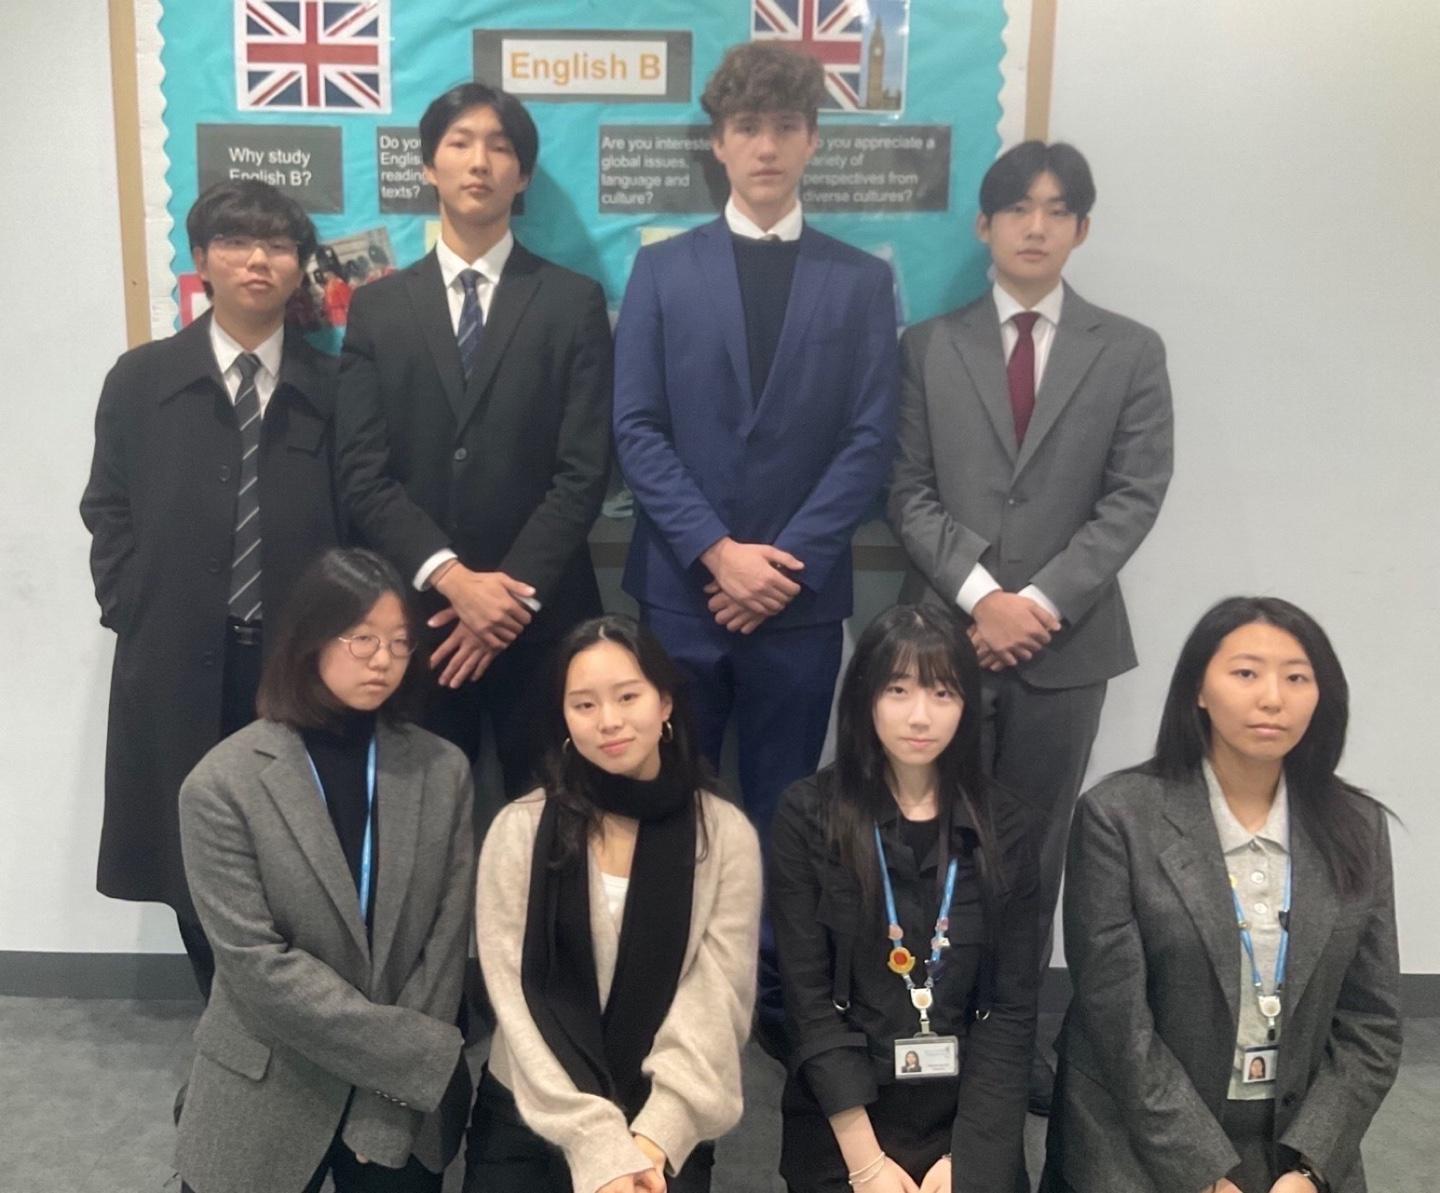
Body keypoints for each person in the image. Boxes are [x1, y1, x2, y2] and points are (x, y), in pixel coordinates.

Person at [613, 40, 898, 1038]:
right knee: (667, 791)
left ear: (812, 140)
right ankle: (666, 979)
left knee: (788, 802)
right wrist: (717, 552)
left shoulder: (860, 282)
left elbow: (870, 438)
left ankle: (777, 990)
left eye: (784, 127)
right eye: (747, 128)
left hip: (799, 603)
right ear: (719, 144)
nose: (766, 146)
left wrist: (785, 563)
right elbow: (636, 428)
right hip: (682, 593)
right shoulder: (662, 270)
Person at [886, 140, 1173, 1110]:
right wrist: (983, 598)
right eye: (1017, 208)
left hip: (1065, 648)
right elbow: (907, 490)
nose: (1036, 226)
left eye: (1057, 210)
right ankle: (925, 1023)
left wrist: (1037, 605)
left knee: (1035, 853)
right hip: (944, 644)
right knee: (928, 838)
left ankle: (1012, 1038)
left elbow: (1134, 495)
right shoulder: (928, 346)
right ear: (984, 224)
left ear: (1082, 228)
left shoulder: (1129, 350)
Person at [1042, 596, 1401, 1193]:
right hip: (1138, 1143)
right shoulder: (1119, 817)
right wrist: (1203, 1173)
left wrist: (1310, 1168)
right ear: (1198, 690)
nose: (1272, 698)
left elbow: (1372, 1022)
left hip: (1295, 1147)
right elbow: (1117, 1024)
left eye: (1296, 678)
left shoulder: (1356, 825)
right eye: (1246, 673)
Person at [80, 179, 341, 999]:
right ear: (200, 260)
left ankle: (286, 1012)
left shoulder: (335, 386)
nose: (258, 260)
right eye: (234, 242)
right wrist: (131, 606)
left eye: (278, 245)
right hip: (177, 656)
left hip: (297, 664)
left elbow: (363, 516)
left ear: (301, 266)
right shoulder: (142, 378)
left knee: (300, 841)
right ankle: (226, 1014)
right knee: (191, 844)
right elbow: (107, 506)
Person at [337, 81, 612, 795]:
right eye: (459, 143)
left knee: (558, 814)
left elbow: (585, 471)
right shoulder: (377, 308)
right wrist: (455, 581)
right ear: (429, 167)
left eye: (500, 147)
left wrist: (506, 602)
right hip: (417, 616)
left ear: (523, 176)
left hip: (545, 617)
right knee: (419, 821)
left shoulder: (572, 302)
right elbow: (362, 472)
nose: (479, 161)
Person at [175, 548, 476, 1193]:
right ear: (310, 639)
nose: (383, 659)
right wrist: (408, 1055)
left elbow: (445, 944)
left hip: (396, 1102)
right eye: (362, 638)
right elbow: (257, 966)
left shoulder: (442, 770)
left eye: (399, 642)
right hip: (269, 1077)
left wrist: (385, 1100)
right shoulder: (221, 785)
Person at [467, 615, 762, 1193]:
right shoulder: (519, 829)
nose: (608, 721)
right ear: (564, 717)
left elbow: (718, 996)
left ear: (664, 702)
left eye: (628, 696)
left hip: (663, 1119)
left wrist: (653, 1138)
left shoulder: (723, 834)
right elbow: (515, 993)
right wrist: (597, 1145)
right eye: (584, 705)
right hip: (533, 1111)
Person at [771, 606, 1038, 1193]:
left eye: (943, 693)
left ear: (967, 705)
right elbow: (808, 1005)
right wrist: (867, 1165)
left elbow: (1011, 1011)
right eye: (898, 690)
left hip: (969, 1124)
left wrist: (969, 1161)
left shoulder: (1006, 824)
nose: (920, 716)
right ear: (865, 697)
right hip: (844, 1121)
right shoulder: (808, 815)